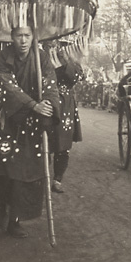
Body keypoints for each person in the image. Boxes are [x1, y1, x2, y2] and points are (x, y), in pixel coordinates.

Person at [0, 26, 60, 238]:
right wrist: (33, 105)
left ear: (33, 37)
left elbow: (51, 83)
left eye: (27, 36)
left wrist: (48, 105)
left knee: (26, 174)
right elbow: (8, 88)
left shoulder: (41, 58)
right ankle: (1, 208)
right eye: (18, 36)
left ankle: (15, 219)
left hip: (33, 125)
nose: (23, 40)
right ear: (11, 37)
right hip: (10, 122)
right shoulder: (3, 57)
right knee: (6, 171)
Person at [49, 48, 83, 193]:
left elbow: (74, 77)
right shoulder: (43, 56)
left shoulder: (74, 64)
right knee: (43, 142)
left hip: (65, 105)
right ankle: (40, 177)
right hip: (47, 100)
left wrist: (64, 61)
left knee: (63, 144)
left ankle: (57, 179)